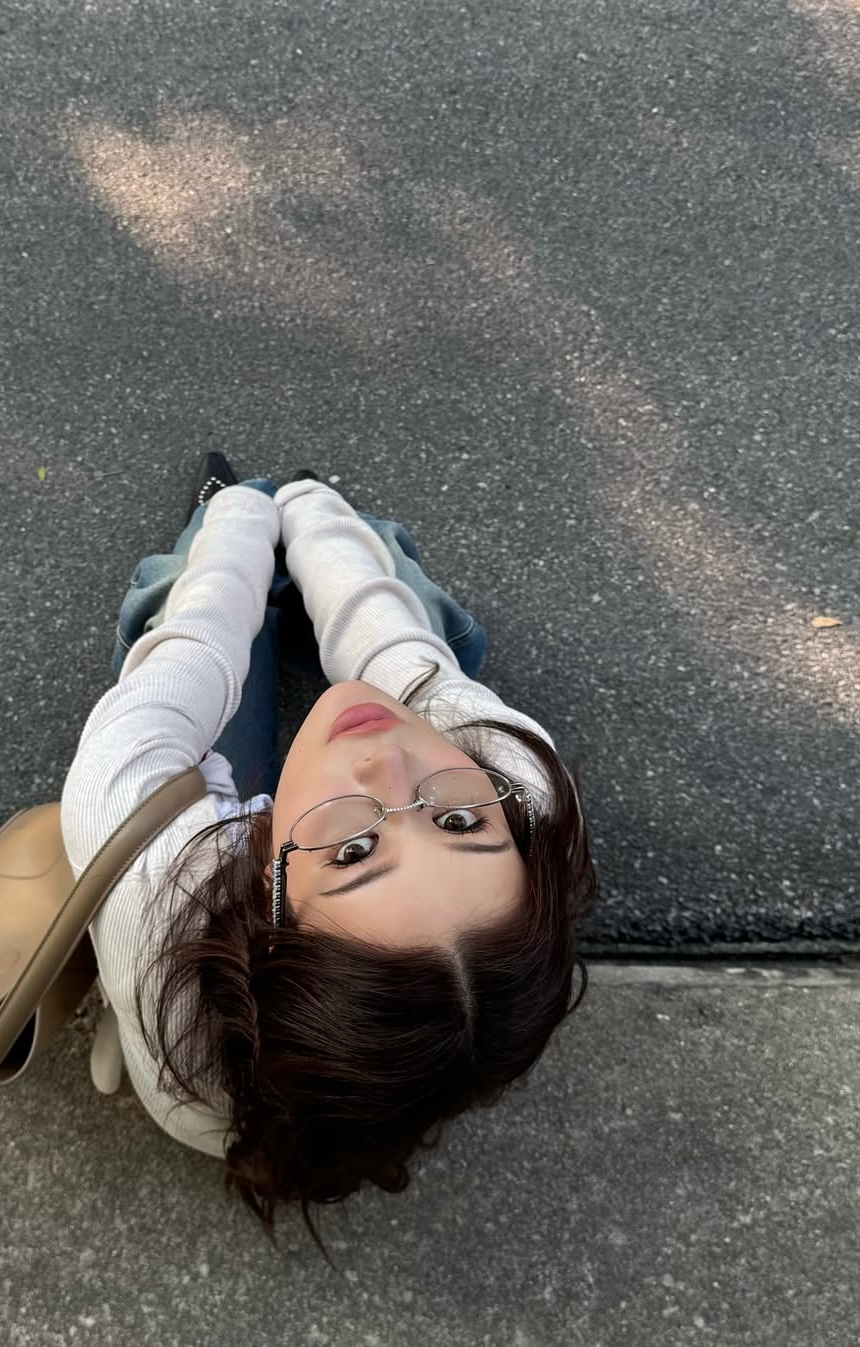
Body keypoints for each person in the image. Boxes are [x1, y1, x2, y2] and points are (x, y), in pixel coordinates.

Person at [61, 452, 596, 1248]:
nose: (388, 764)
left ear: (262, 921)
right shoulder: (529, 792)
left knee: (186, 607)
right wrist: (313, 511)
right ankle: (315, 567)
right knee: (409, 615)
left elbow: (192, 644)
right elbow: (397, 653)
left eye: (352, 853)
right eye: (459, 823)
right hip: (214, 1083)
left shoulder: (159, 879)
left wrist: (252, 507)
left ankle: (238, 531)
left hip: (181, 1040)